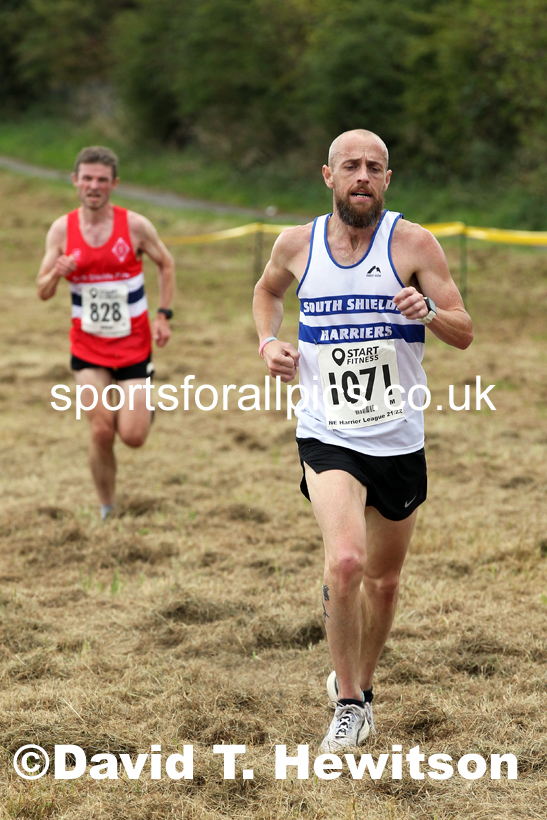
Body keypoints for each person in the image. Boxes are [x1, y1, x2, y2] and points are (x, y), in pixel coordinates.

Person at [253, 129, 473, 752]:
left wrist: (429, 312)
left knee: (383, 581)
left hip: (398, 437)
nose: (362, 176)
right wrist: (268, 343)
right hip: (326, 433)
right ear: (328, 175)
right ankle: (348, 703)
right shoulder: (296, 244)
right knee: (346, 562)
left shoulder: (414, 244)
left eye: (374, 167)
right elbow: (267, 291)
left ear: (387, 179)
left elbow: (464, 331)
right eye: (350, 165)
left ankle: (363, 686)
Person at [37, 146, 175, 519]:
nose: (93, 186)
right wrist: (56, 273)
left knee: (132, 437)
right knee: (100, 431)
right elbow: (42, 291)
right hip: (88, 347)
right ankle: (107, 508)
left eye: (101, 179)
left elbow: (166, 264)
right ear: (75, 181)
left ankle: (143, 408)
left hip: (133, 346)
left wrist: (163, 315)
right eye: (87, 178)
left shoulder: (136, 226)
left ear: (113, 184)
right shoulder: (62, 230)